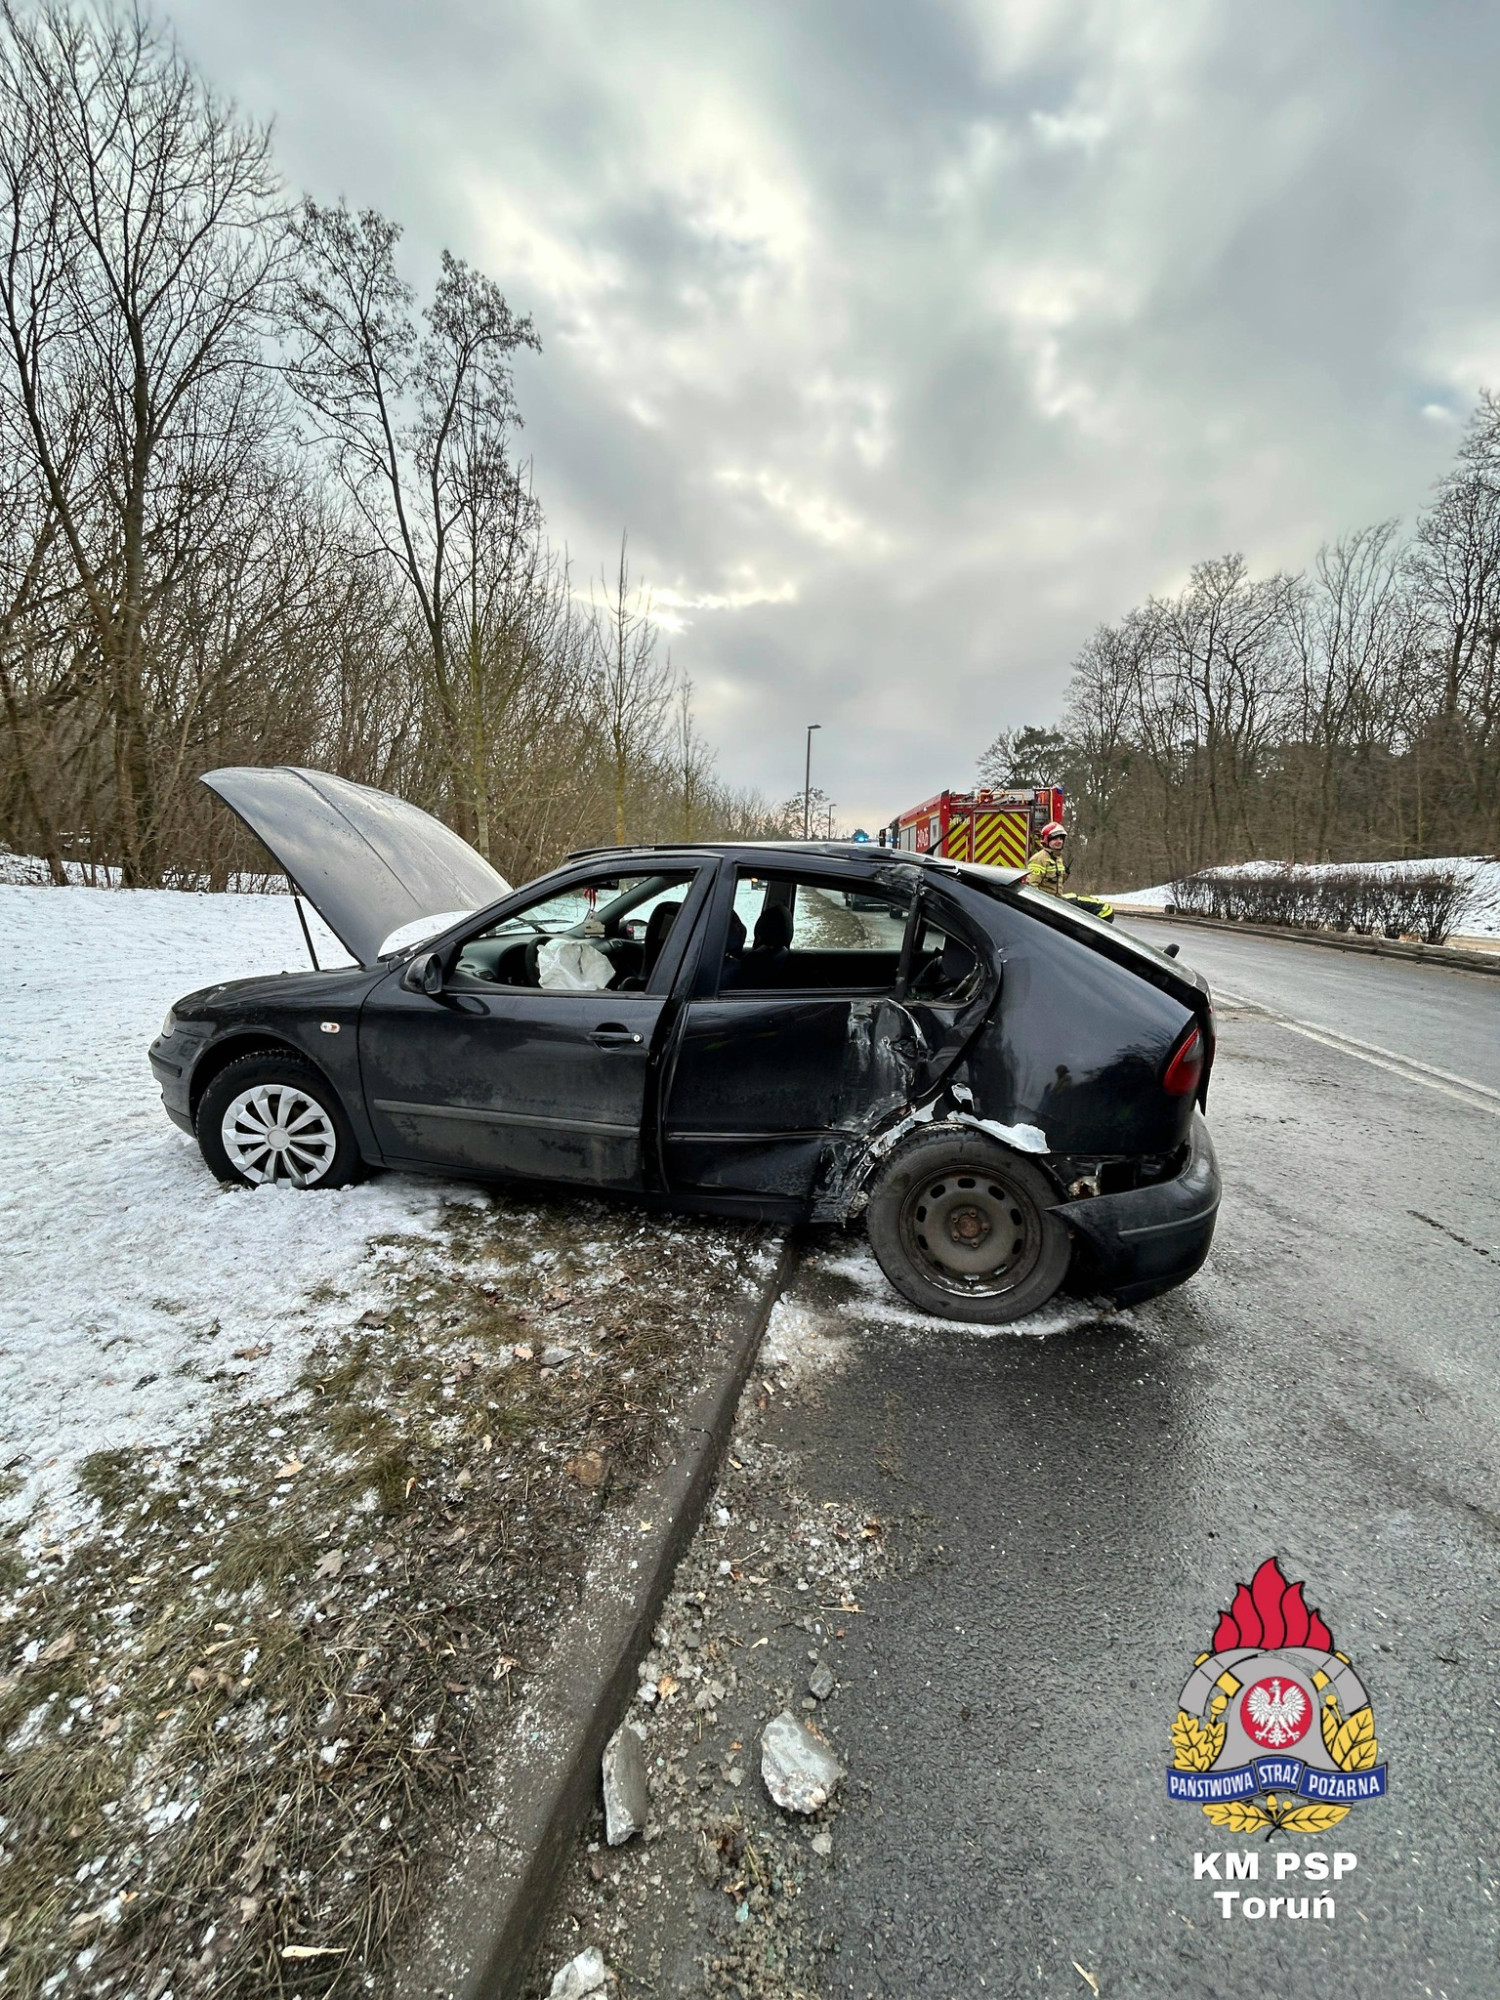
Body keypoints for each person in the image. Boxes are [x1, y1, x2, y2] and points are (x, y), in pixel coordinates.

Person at [1026, 822, 1069, 895]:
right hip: (1043, 901)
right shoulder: (1039, 859)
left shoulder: (1058, 858)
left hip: (1055, 900)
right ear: (1046, 840)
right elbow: (1032, 887)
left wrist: (1065, 875)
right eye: (1055, 839)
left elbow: (1056, 883)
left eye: (1061, 838)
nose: (1059, 841)